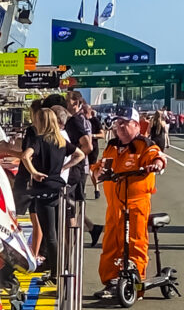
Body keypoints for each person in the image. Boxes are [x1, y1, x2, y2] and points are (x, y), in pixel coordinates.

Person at [94, 105, 166, 299]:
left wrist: (156, 165)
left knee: (135, 242)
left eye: (125, 124)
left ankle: (136, 284)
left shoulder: (144, 144)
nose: (121, 127)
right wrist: (97, 172)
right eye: (118, 124)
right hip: (115, 204)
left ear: (136, 125)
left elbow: (157, 156)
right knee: (111, 244)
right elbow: (100, 166)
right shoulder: (111, 146)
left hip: (136, 203)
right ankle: (111, 281)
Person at [20, 107, 86, 278]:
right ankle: (63, 266)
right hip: (59, 187)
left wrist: (34, 172)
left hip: (43, 188)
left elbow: (25, 156)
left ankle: (56, 273)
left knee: (50, 234)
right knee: (59, 229)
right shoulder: (61, 141)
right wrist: (64, 167)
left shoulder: (39, 141)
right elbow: (80, 154)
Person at [65, 92, 99, 245]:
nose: (66, 104)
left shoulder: (75, 121)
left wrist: (73, 158)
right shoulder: (83, 119)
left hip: (77, 168)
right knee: (74, 202)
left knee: (70, 204)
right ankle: (91, 228)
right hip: (81, 166)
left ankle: (73, 241)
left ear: (76, 103)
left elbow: (88, 145)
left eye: (68, 101)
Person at [85, 104, 103, 199]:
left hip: (93, 147)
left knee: (91, 169)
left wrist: (92, 136)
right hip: (82, 147)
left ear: (90, 111)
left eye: (85, 111)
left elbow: (102, 134)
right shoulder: (80, 121)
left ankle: (96, 188)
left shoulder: (95, 121)